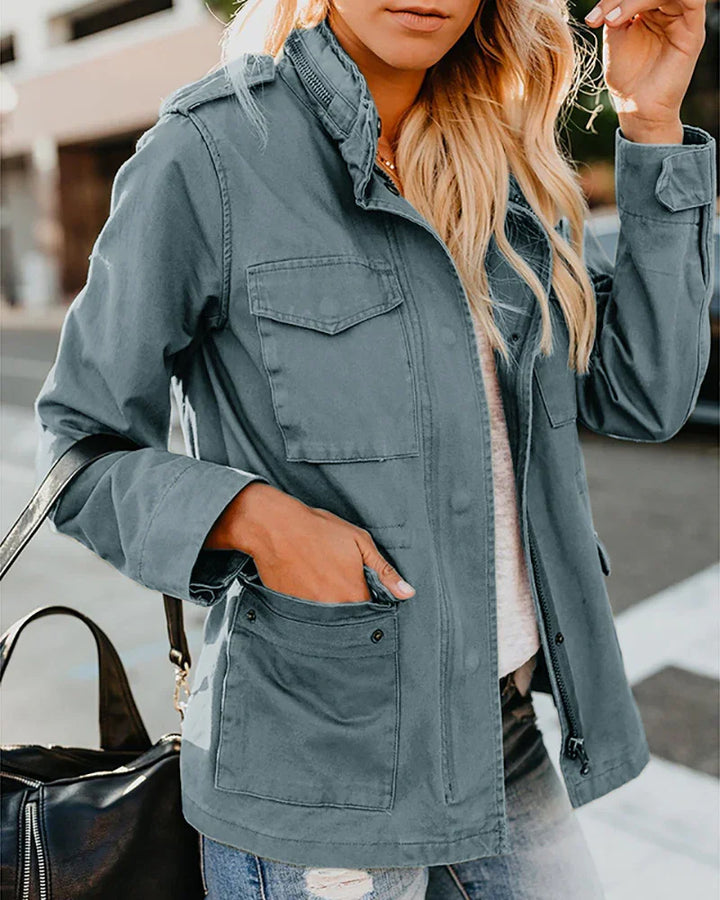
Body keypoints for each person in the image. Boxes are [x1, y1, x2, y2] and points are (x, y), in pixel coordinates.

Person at [34, 0, 715, 897]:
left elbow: (644, 395)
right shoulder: (210, 154)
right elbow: (80, 447)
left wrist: (651, 120)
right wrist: (256, 520)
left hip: (502, 737)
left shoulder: (500, 161)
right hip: (318, 762)